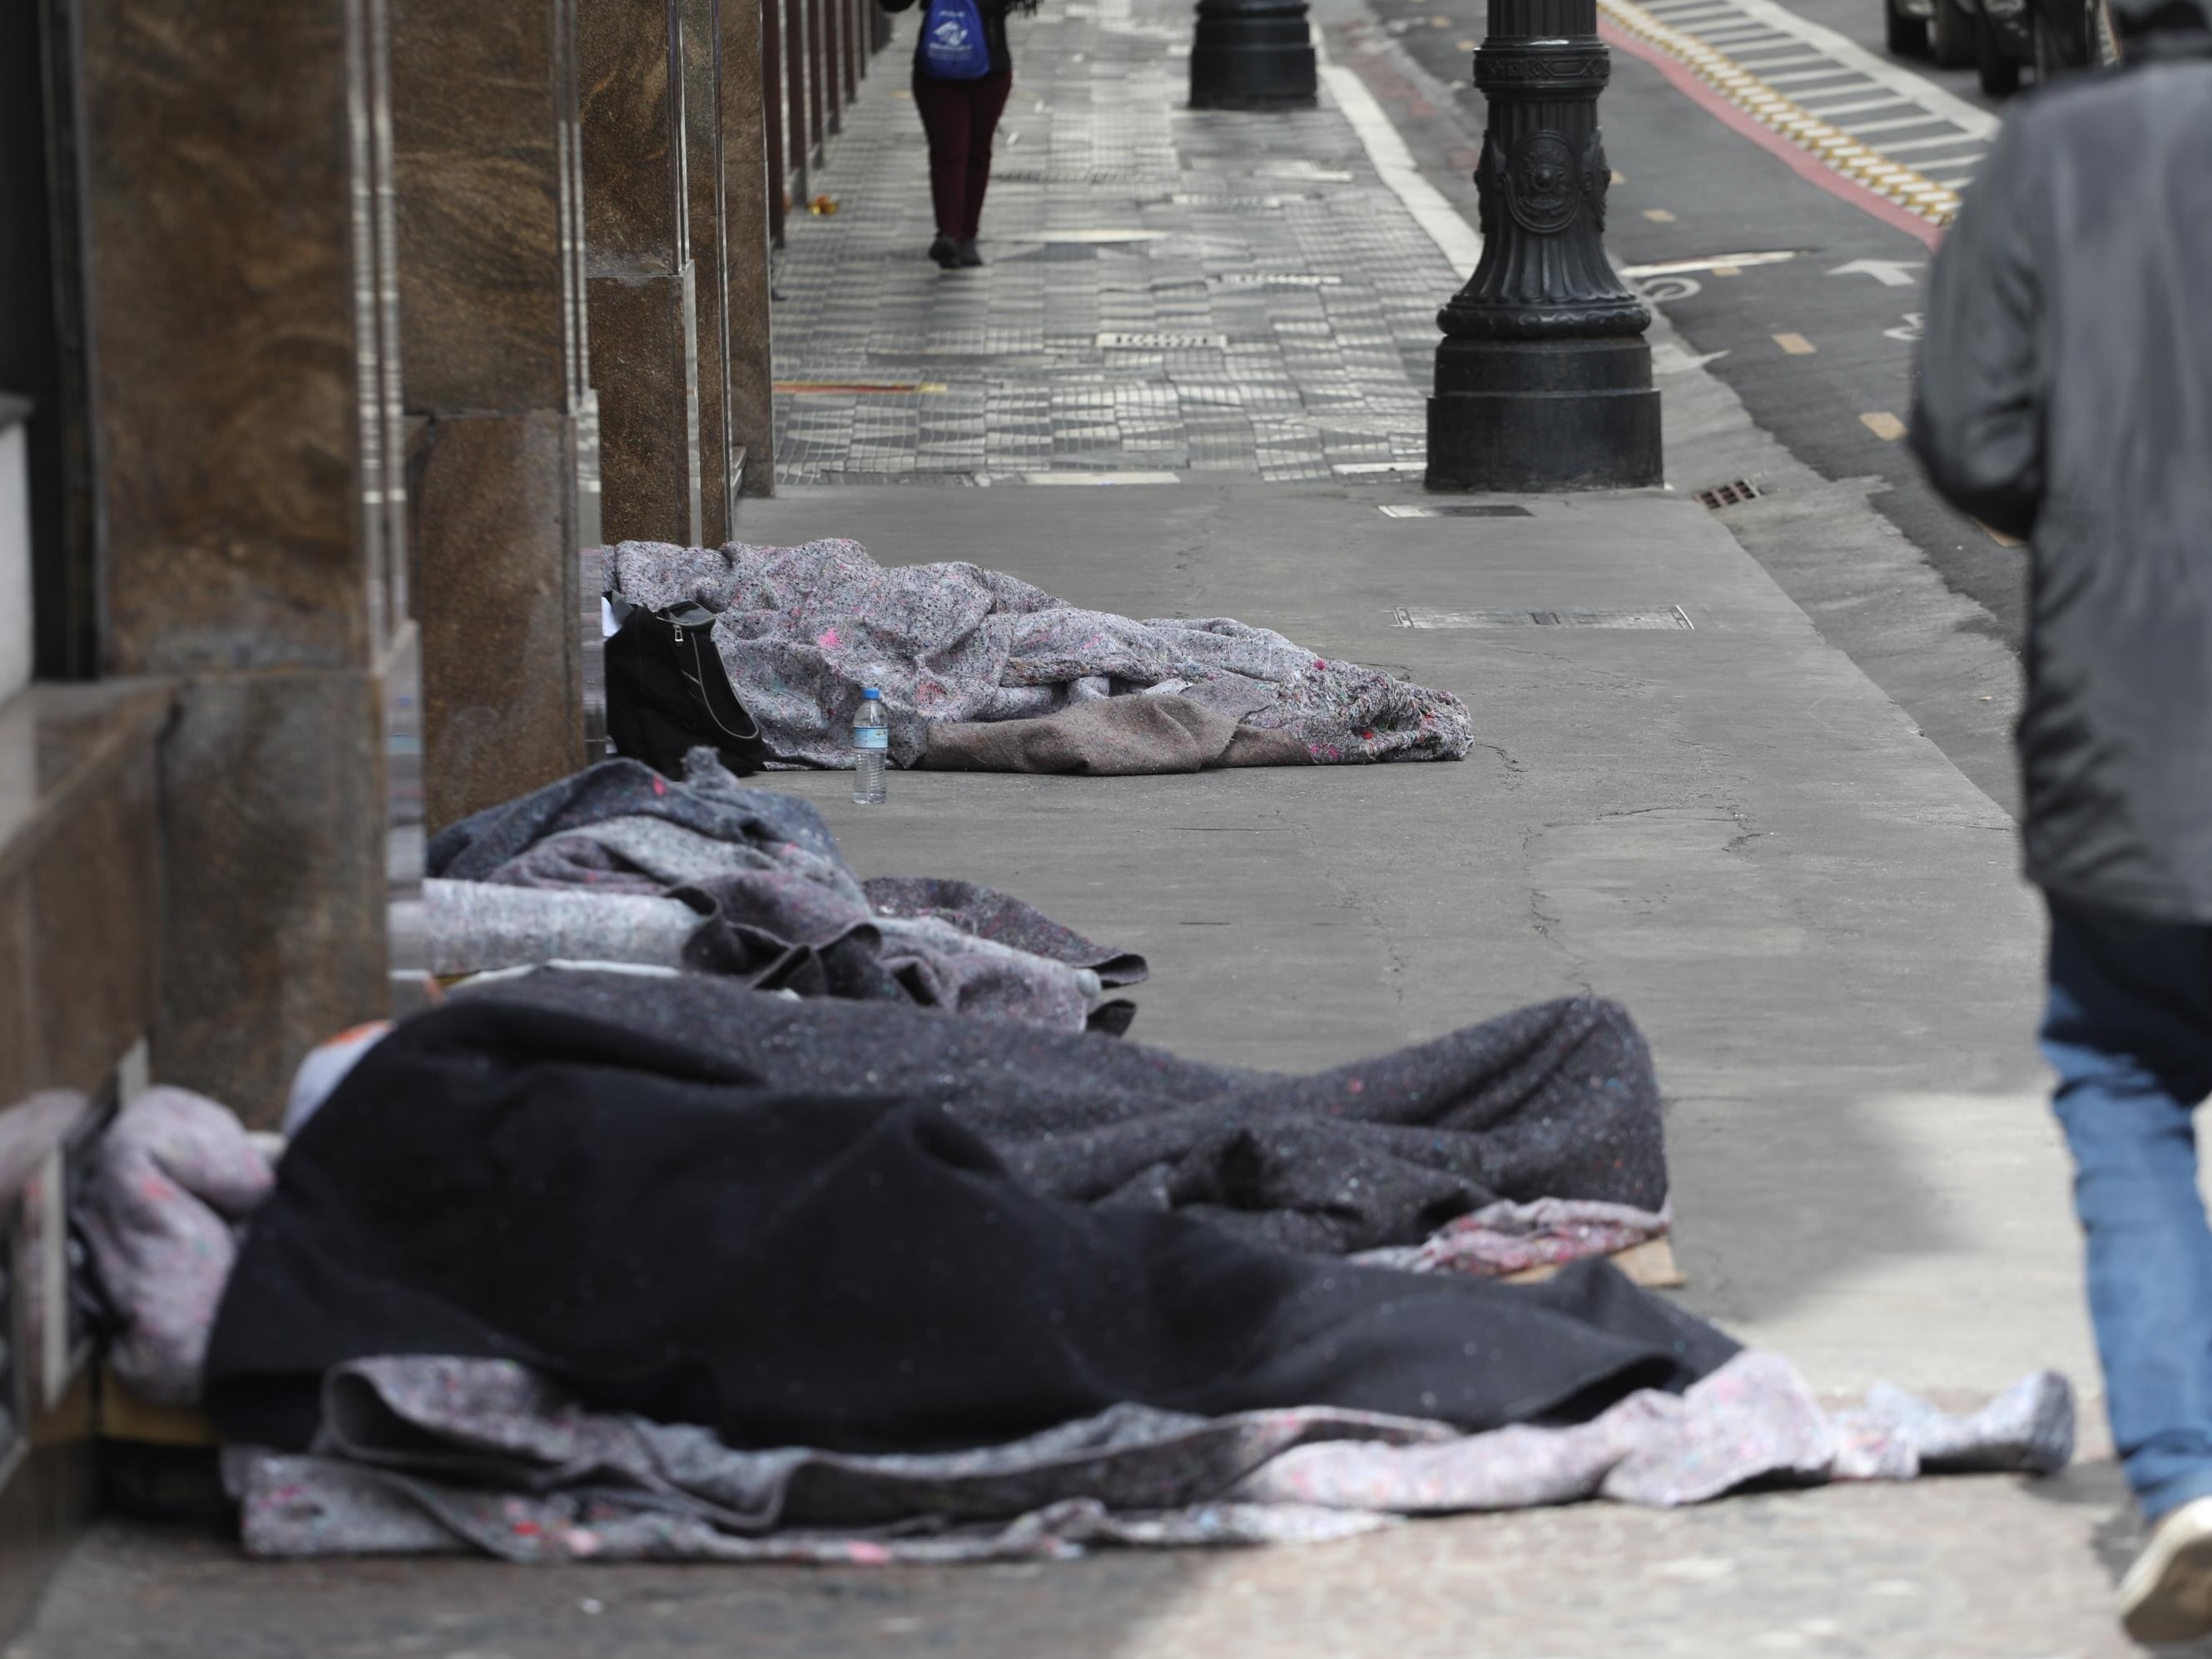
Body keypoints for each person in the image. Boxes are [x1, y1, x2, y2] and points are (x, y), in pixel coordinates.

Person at [1912, 0, 2212, 1642]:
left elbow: (1966, 433)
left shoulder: (2051, 149)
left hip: (2131, 717)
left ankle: (2188, 1475)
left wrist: (2099, 508)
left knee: (2128, 1080)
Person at [879, 0, 1027, 269]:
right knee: (949, 150)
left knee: (977, 151)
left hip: (990, 65)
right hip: (938, 65)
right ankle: (949, 234)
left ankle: (967, 236)